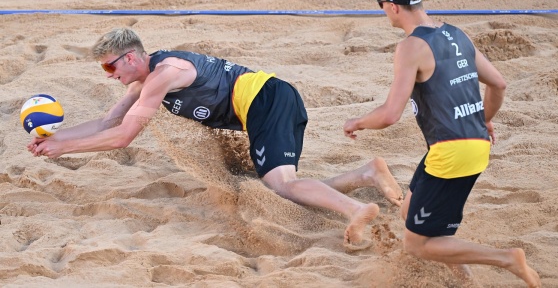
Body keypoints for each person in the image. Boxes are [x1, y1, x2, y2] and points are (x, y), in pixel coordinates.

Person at [27, 27, 404, 246]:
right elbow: (108, 122)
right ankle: (366, 174)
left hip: (263, 100)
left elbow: (124, 137)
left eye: (110, 65)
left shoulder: (164, 73)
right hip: (270, 99)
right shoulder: (143, 80)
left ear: (131, 57)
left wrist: (64, 148)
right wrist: (56, 140)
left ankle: (356, 210)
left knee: (283, 186)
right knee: (282, 184)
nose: (108, 74)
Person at [343, 0, 541, 287]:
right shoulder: (456, 34)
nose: (381, 9)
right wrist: (482, 118)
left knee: (417, 243)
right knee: (408, 214)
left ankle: (507, 258)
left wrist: (357, 122)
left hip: (453, 154)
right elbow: (498, 83)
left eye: (381, 3)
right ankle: (462, 277)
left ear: (393, 7)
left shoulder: (410, 47)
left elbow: (390, 114)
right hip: (460, 146)